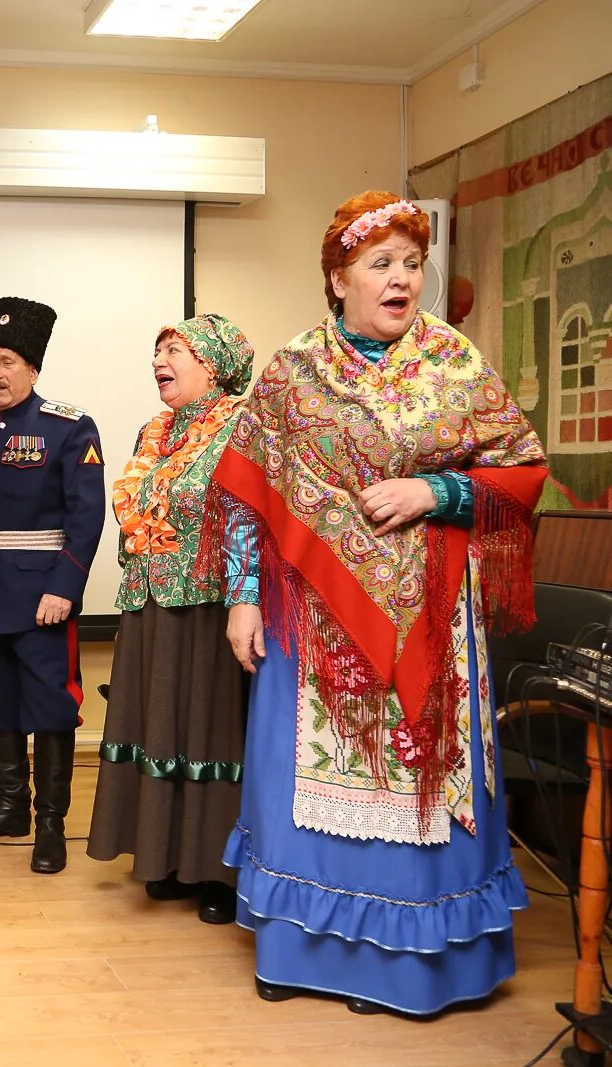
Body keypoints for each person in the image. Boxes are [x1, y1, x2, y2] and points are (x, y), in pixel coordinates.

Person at [212, 191, 547, 1015]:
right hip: (311, 619)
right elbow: (249, 493)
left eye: (411, 264)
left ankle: (406, 961)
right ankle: (304, 953)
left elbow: (523, 471)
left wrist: (435, 490)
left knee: (415, 791)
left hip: (430, 611)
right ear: (337, 278)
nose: (401, 280)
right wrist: (244, 599)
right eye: (380, 264)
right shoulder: (292, 372)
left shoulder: (455, 362)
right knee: (312, 785)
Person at [84, 313, 253, 921]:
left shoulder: (243, 425)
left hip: (210, 606)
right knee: (159, 727)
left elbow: (248, 519)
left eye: (175, 350)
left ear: (213, 363)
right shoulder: (153, 429)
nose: (160, 360)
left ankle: (218, 871)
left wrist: (243, 598)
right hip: (150, 604)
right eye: (157, 350)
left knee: (210, 729)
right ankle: (165, 859)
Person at [0, 297, 107, 875]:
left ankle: (50, 824)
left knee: (50, 709)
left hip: (42, 597)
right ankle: (10, 807)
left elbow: (86, 515)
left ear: (33, 369)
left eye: (8, 360)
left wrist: (65, 586)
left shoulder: (68, 427)